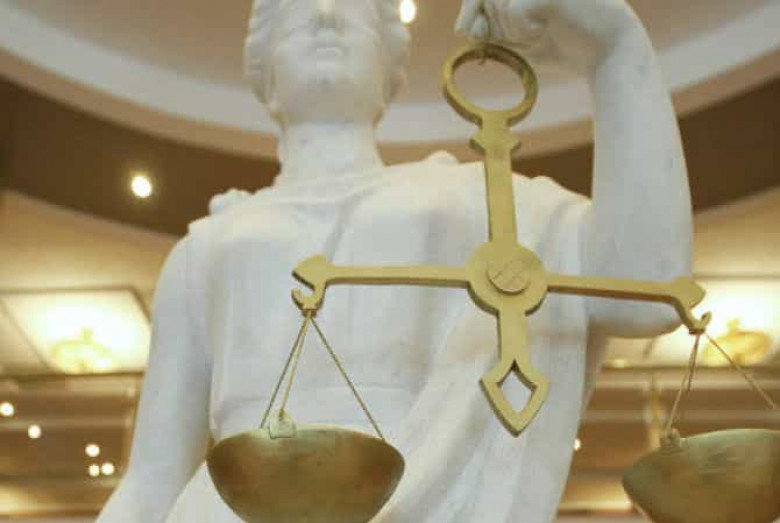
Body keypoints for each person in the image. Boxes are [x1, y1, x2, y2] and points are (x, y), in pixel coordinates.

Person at [96, 1, 693, 522]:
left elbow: (644, 288)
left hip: (430, 498)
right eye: (298, 10)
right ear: (265, 78)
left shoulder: (471, 201)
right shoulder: (206, 246)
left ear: (391, 71)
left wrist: (615, 50)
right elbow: (152, 478)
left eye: (354, 9)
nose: (326, 15)